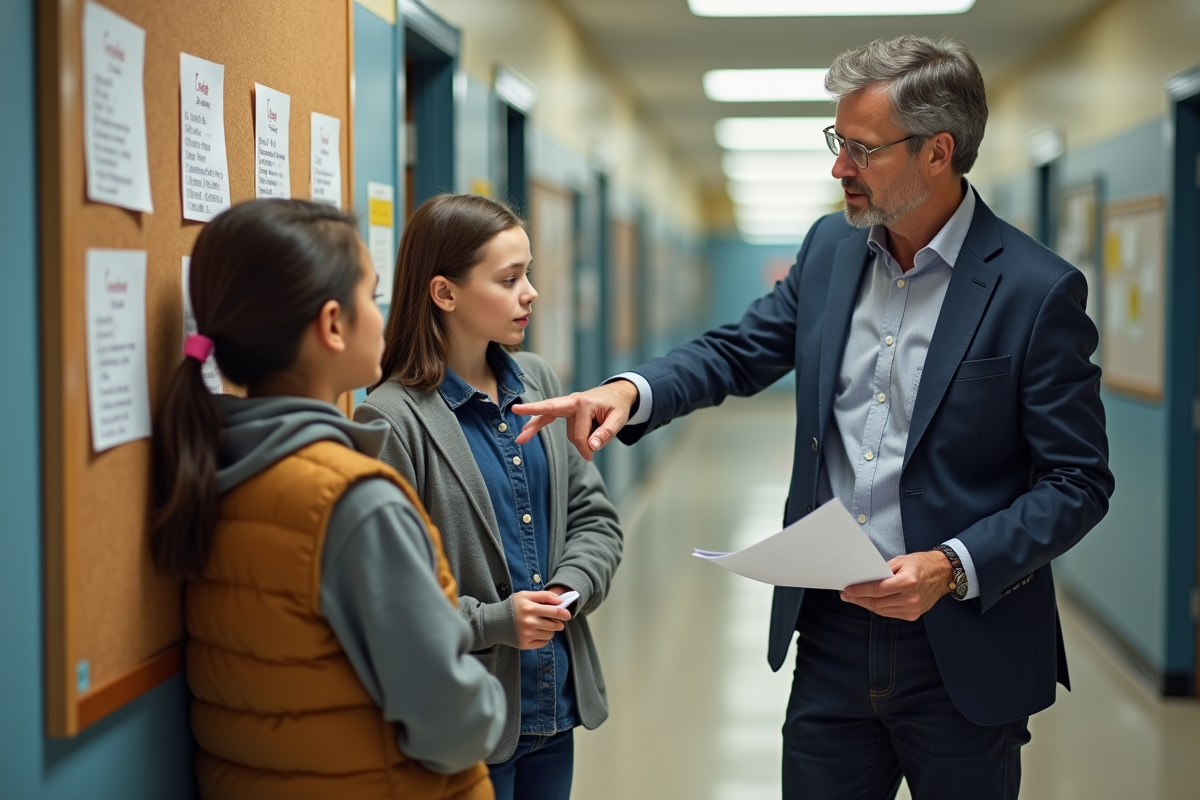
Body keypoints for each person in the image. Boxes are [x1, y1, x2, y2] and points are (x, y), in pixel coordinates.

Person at [513, 35, 1115, 800]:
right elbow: (740, 350)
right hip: (829, 632)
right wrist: (629, 392)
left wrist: (950, 566)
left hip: (962, 641)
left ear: (938, 153)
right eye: (838, 143)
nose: (839, 169)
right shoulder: (832, 248)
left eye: (861, 150)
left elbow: (1078, 481)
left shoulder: (1035, 290)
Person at [150, 199, 505, 800]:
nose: (385, 316)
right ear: (333, 324)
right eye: (372, 295)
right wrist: (490, 700)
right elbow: (451, 724)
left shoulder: (219, 466)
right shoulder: (354, 502)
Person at [354, 193, 623, 800]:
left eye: (527, 273)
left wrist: (567, 590)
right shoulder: (390, 421)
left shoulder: (541, 384)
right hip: (464, 721)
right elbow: (386, 602)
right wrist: (498, 622)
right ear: (444, 293)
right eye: (509, 279)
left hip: (553, 706)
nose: (529, 292)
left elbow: (595, 520)